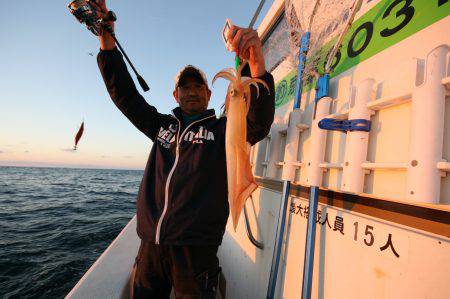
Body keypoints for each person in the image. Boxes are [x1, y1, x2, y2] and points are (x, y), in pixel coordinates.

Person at [94, 1, 275, 298]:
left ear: (208, 93)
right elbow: (125, 96)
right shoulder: (162, 127)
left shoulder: (222, 130)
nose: (191, 91)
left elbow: (257, 124)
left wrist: (256, 65)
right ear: (175, 94)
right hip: (151, 246)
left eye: (197, 87)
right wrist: (107, 42)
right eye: (185, 87)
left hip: (196, 253)